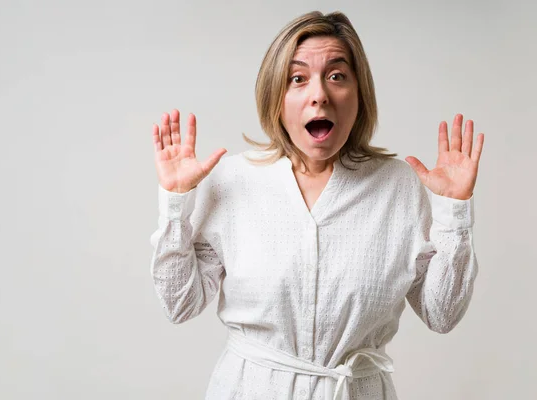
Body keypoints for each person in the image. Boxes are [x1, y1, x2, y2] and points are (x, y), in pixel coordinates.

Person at [149, 10, 484, 400]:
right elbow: (179, 304)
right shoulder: (231, 181)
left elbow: (442, 313)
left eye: (337, 75)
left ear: (359, 95)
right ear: (276, 97)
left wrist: (454, 213)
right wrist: (176, 206)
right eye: (298, 78)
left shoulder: (398, 187)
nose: (320, 94)